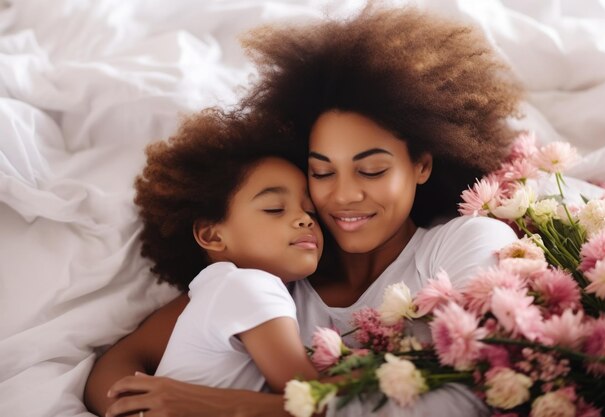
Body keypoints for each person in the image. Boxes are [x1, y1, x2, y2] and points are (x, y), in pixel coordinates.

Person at [84, 5, 523, 417]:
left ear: (422, 165)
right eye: (322, 172)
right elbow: (123, 358)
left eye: (370, 170)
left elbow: (481, 389)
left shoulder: (468, 241)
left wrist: (225, 407)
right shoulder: (279, 273)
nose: (344, 196)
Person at [129, 108, 323, 395]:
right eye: (275, 209)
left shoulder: (216, 291)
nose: (305, 218)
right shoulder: (247, 285)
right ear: (212, 235)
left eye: (310, 209)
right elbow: (309, 398)